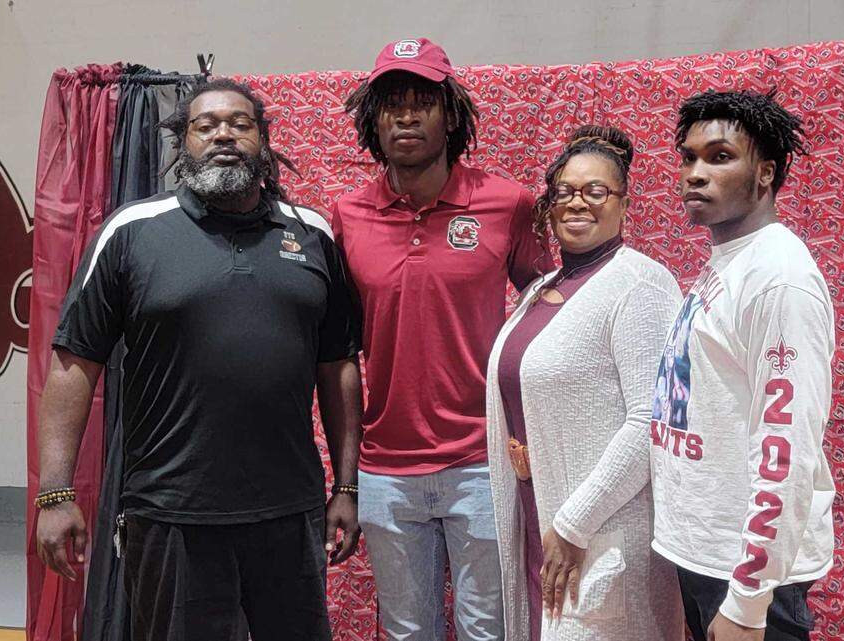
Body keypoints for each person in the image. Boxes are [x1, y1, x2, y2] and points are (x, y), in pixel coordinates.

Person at [34, 78, 363, 641]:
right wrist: (55, 493)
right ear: (182, 143)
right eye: (205, 125)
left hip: (289, 510)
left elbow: (339, 366)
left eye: (241, 123)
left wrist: (347, 487)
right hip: (171, 512)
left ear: (264, 139)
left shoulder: (311, 235)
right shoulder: (132, 232)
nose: (224, 135)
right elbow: (74, 365)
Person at [332, 37, 553, 640]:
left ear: (450, 114)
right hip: (385, 470)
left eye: (422, 101)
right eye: (391, 104)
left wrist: (541, 438)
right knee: (407, 633)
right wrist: (346, 480)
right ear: (371, 121)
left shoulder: (507, 203)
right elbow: (339, 355)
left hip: (482, 461)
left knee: (490, 630)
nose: (406, 116)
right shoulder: (347, 215)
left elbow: (552, 319)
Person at [485, 125, 687, 641]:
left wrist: (574, 524)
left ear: (623, 204)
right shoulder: (543, 289)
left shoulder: (640, 284)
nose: (578, 203)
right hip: (540, 520)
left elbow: (651, 421)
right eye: (565, 192)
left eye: (596, 191)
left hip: (599, 531)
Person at [649, 89, 836, 641]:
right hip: (706, 552)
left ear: (765, 173)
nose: (694, 174)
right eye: (688, 157)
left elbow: (787, 446)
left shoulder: (779, 279)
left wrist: (749, 600)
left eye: (720, 157)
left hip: (746, 575)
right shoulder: (729, 262)